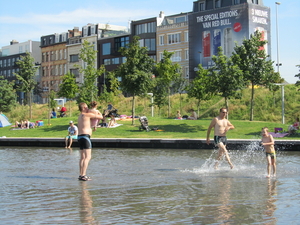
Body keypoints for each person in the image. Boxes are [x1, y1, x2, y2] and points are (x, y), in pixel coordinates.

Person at [77, 102, 103, 181]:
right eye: (87, 107)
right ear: (84, 108)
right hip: (85, 137)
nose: (88, 108)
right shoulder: (87, 115)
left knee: (82, 157)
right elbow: (101, 117)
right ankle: (84, 175)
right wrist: (97, 110)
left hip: (80, 137)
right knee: (88, 157)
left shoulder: (79, 116)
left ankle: (81, 175)